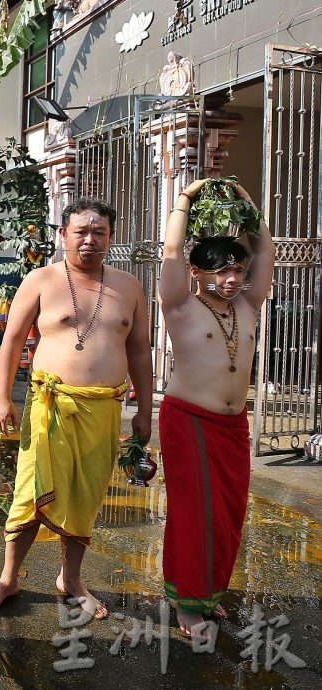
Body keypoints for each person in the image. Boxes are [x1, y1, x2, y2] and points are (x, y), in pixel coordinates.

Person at [0, 198, 153, 621]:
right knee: (29, 492)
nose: (90, 241)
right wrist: (4, 398)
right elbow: (13, 342)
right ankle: (8, 577)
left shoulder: (129, 286)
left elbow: (140, 352)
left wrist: (144, 409)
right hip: (48, 407)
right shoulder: (41, 279)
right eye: (81, 232)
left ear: (111, 237)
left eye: (100, 233)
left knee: (86, 495)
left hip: (104, 410)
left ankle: (70, 580)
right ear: (63, 234)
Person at [158, 180, 275, 637]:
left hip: (232, 426)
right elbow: (169, 253)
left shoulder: (248, 304)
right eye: (222, 270)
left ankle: (208, 592)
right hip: (188, 419)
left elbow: (266, 255)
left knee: (228, 511)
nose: (232, 278)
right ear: (195, 271)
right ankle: (187, 602)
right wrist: (185, 200)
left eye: (237, 270)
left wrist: (250, 207)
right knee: (193, 510)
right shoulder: (180, 305)